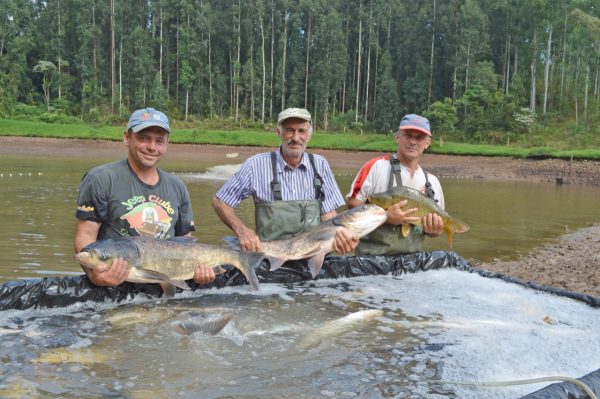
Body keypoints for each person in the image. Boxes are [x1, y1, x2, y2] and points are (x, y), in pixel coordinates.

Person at [74, 107, 216, 286]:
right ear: (127, 137)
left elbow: (185, 242)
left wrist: (200, 270)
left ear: (166, 144)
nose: (151, 147)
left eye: (159, 141)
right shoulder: (101, 179)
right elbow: (85, 236)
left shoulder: (177, 186)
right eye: (143, 138)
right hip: (116, 285)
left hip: (163, 285)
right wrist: (95, 275)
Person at [212, 107, 359, 255]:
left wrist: (340, 235)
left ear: (309, 134)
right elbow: (220, 202)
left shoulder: (320, 165)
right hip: (268, 258)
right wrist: (242, 231)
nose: (296, 138)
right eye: (289, 130)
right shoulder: (255, 165)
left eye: (302, 131)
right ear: (279, 132)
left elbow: (328, 214)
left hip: (311, 255)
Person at [346, 114, 444, 256]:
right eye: (408, 135)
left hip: (410, 263)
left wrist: (434, 231)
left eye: (419, 138)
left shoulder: (432, 182)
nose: (413, 142)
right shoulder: (375, 166)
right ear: (397, 137)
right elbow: (352, 203)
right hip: (370, 260)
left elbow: (434, 233)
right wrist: (384, 217)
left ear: (428, 143)